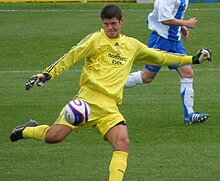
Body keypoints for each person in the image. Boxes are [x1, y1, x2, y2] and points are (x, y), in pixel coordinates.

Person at [9, 4, 211, 181]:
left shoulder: (131, 45)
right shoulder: (95, 40)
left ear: (121, 21)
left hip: (110, 108)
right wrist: (46, 74)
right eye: (106, 24)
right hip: (87, 101)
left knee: (122, 142)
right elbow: (71, 56)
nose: (110, 28)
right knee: (54, 136)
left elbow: (161, 56)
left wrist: (192, 59)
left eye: (113, 23)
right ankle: (27, 130)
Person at [124, 0, 209, 124]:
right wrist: (186, 23)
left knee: (187, 73)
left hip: (174, 41)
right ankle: (110, 84)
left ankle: (189, 114)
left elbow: (171, 13)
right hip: (161, 40)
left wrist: (182, 26)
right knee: (146, 77)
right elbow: (164, 18)